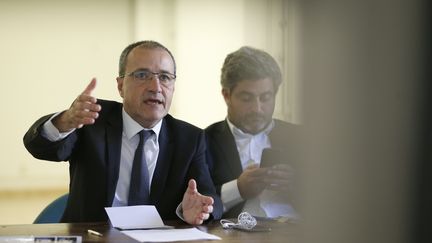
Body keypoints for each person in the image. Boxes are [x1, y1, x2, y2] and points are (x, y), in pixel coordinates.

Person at [23, 40, 222, 225]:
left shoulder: (190, 138)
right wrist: (65, 121)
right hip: (92, 237)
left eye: (165, 77)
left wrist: (197, 209)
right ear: (120, 86)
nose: (156, 87)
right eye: (142, 75)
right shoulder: (93, 119)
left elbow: (210, 198)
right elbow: (39, 147)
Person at [205, 46, 299, 219]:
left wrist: (295, 185)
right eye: (247, 98)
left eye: (266, 98)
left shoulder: (300, 138)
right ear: (226, 95)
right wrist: (237, 189)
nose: (257, 108)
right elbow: (196, 202)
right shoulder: (203, 142)